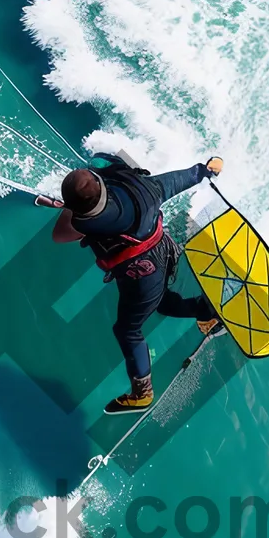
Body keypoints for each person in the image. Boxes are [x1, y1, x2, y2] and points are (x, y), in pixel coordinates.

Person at [38, 154, 225, 413]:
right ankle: (207, 311)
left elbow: (59, 235)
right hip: (164, 252)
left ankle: (142, 393)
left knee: (127, 329)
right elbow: (177, 180)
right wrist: (204, 170)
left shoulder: (90, 222)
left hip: (143, 274)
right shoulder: (144, 186)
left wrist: (69, 206)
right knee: (160, 303)